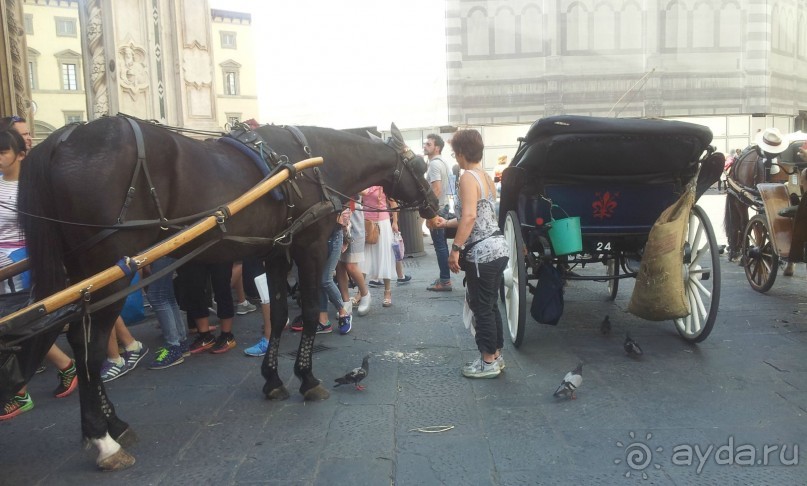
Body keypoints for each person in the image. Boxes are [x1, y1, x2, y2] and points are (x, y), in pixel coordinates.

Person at [0, 128, 78, 420]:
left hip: (19, 265)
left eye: (3, 152)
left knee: (13, 329)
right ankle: (65, 366)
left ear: (21, 154)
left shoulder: (32, 189)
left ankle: (18, 393)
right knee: (17, 328)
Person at [432, 129, 508, 379]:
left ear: (462, 153)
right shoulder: (485, 177)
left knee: (480, 307)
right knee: (490, 305)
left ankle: (487, 362)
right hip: (498, 248)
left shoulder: (466, 177)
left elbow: (470, 216)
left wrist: (455, 250)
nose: (455, 158)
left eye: (455, 153)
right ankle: (495, 356)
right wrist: (447, 224)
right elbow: (480, 216)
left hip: (482, 254)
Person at [146, 257, 188, 369]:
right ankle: (180, 341)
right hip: (165, 248)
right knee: (166, 294)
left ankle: (173, 346)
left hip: (161, 247)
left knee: (156, 295)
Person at [424, 134, 452, 292]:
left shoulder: (434, 165)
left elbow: (436, 189)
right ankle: (444, 277)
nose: (425, 146)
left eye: (428, 144)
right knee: (441, 246)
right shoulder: (442, 163)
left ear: (437, 148)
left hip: (438, 209)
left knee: (440, 247)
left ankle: (445, 281)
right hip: (443, 207)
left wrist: (431, 213)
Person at [362, 185, 396, 308]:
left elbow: (393, 203)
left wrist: (395, 222)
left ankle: (387, 291)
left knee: (384, 255)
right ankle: (361, 292)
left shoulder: (382, 184)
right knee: (363, 258)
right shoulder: (364, 181)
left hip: (382, 222)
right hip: (366, 223)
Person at [337, 195, 371, 317]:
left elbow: (365, 190)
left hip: (353, 217)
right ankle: (346, 302)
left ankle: (365, 294)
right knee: (339, 265)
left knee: (350, 265)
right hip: (338, 214)